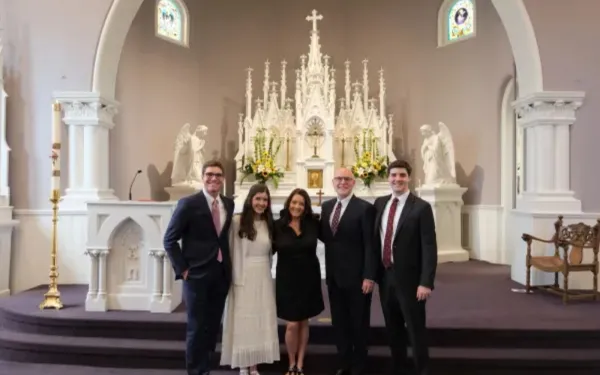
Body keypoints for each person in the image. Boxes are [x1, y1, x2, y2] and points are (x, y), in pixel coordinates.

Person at [163, 160, 235, 375]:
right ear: (202, 177)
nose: (214, 178)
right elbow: (169, 240)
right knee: (196, 327)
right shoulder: (188, 204)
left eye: (218, 175)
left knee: (212, 326)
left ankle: (206, 365)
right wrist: (183, 269)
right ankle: (197, 371)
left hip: (221, 275)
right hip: (196, 276)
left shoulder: (228, 204)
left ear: (223, 179)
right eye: (209, 174)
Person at [372, 160, 437, 375]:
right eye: (393, 175)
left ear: (409, 178)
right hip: (385, 277)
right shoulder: (380, 204)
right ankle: (399, 368)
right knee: (393, 329)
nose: (397, 179)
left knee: (415, 329)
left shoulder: (421, 207)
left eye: (401, 175)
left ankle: (422, 369)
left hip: (411, 281)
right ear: (388, 178)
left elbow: (429, 247)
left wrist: (425, 282)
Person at [318, 168, 376, 375]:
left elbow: (370, 244)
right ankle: (344, 362)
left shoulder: (364, 208)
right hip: (334, 277)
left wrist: (369, 275)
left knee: (358, 323)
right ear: (333, 182)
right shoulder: (326, 207)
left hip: (358, 277)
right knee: (340, 322)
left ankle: (359, 365)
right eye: (339, 179)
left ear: (353, 183)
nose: (342, 182)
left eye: (347, 179)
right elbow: (326, 238)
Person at [221, 183, 280, 375]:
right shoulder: (238, 222)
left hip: (262, 275)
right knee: (244, 319)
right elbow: (231, 251)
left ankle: (254, 364)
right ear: (250, 199)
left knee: (259, 320)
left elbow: (270, 253)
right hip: (243, 275)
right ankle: (243, 364)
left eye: (265, 200)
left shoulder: (269, 223)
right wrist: (234, 279)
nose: (261, 203)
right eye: (258, 199)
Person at [273, 188, 324, 375]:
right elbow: (266, 249)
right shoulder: (277, 225)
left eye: (301, 204)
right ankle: (291, 363)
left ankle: (300, 364)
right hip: (287, 279)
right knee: (292, 323)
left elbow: (334, 240)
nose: (297, 206)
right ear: (288, 204)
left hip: (309, 277)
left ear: (306, 207)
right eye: (294, 203)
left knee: (304, 321)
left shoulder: (313, 224)